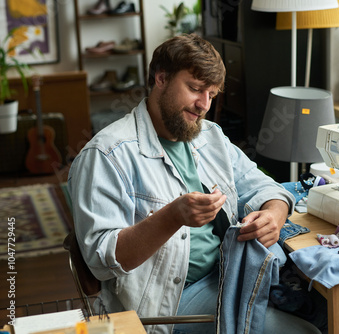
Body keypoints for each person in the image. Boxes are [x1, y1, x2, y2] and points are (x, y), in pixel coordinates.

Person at [68, 34, 321, 334]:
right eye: (195, 89)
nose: (204, 105)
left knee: (325, 305)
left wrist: (274, 215)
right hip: (167, 304)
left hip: (227, 273)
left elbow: (265, 187)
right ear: (161, 78)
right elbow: (101, 259)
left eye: (212, 94)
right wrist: (173, 217)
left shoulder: (209, 137)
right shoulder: (106, 155)